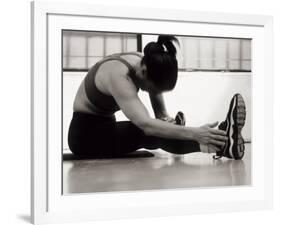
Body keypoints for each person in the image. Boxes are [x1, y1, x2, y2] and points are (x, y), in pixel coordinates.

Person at [68, 35, 246, 160]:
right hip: (85, 137)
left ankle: (220, 139)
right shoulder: (118, 75)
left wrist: (166, 121)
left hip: (106, 126)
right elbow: (146, 125)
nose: (151, 92)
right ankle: (221, 144)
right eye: (152, 89)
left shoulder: (146, 62)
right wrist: (194, 132)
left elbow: (158, 114)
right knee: (146, 132)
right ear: (144, 72)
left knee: (160, 127)